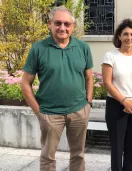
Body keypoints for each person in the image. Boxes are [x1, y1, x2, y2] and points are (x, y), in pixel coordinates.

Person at [20, 6, 93, 171]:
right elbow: (25, 83)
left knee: (78, 154)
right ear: (49, 24)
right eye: (58, 23)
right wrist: (39, 113)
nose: (62, 27)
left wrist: (88, 103)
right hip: (50, 113)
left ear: (73, 26)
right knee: (48, 157)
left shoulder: (83, 48)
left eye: (67, 24)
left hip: (79, 111)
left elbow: (89, 77)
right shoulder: (38, 49)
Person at [102, 18, 132, 171]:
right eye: (126, 34)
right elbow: (107, 83)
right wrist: (124, 101)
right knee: (117, 147)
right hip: (116, 105)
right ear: (119, 36)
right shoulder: (110, 56)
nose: (129, 37)